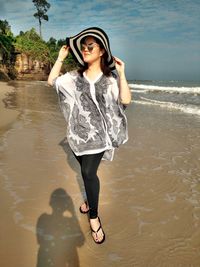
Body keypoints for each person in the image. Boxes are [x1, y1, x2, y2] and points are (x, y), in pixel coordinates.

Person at [48, 27, 131, 244]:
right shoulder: (75, 77)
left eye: (90, 46)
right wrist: (60, 58)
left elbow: (125, 101)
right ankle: (89, 200)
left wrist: (122, 74)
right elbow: (52, 82)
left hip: (100, 136)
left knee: (87, 171)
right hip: (77, 135)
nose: (85, 50)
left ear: (102, 51)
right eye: (83, 47)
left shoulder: (110, 78)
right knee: (87, 174)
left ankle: (94, 217)